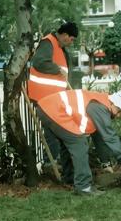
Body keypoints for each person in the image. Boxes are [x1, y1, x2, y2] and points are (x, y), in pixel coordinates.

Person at [37, 89, 121, 195]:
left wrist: (105, 163)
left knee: (69, 143)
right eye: (119, 111)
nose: (118, 115)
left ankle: (69, 179)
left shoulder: (99, 103)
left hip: (47, 108)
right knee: (79, 143)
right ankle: (84, 186)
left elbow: (99, 138)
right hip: (54, 110)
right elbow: (109, 136)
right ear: (112, 103)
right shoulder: (101, 106)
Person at [27, 21, 78, 163]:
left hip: (53, 98)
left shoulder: (59, 48)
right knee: (51, 131)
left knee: (55, 130)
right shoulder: (48, 42)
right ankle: (50, 161)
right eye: (72, 39)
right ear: (65, 35)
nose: (71, 42)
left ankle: (54, 160)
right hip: (43, 97)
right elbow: (39, 62)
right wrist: (57, 69)